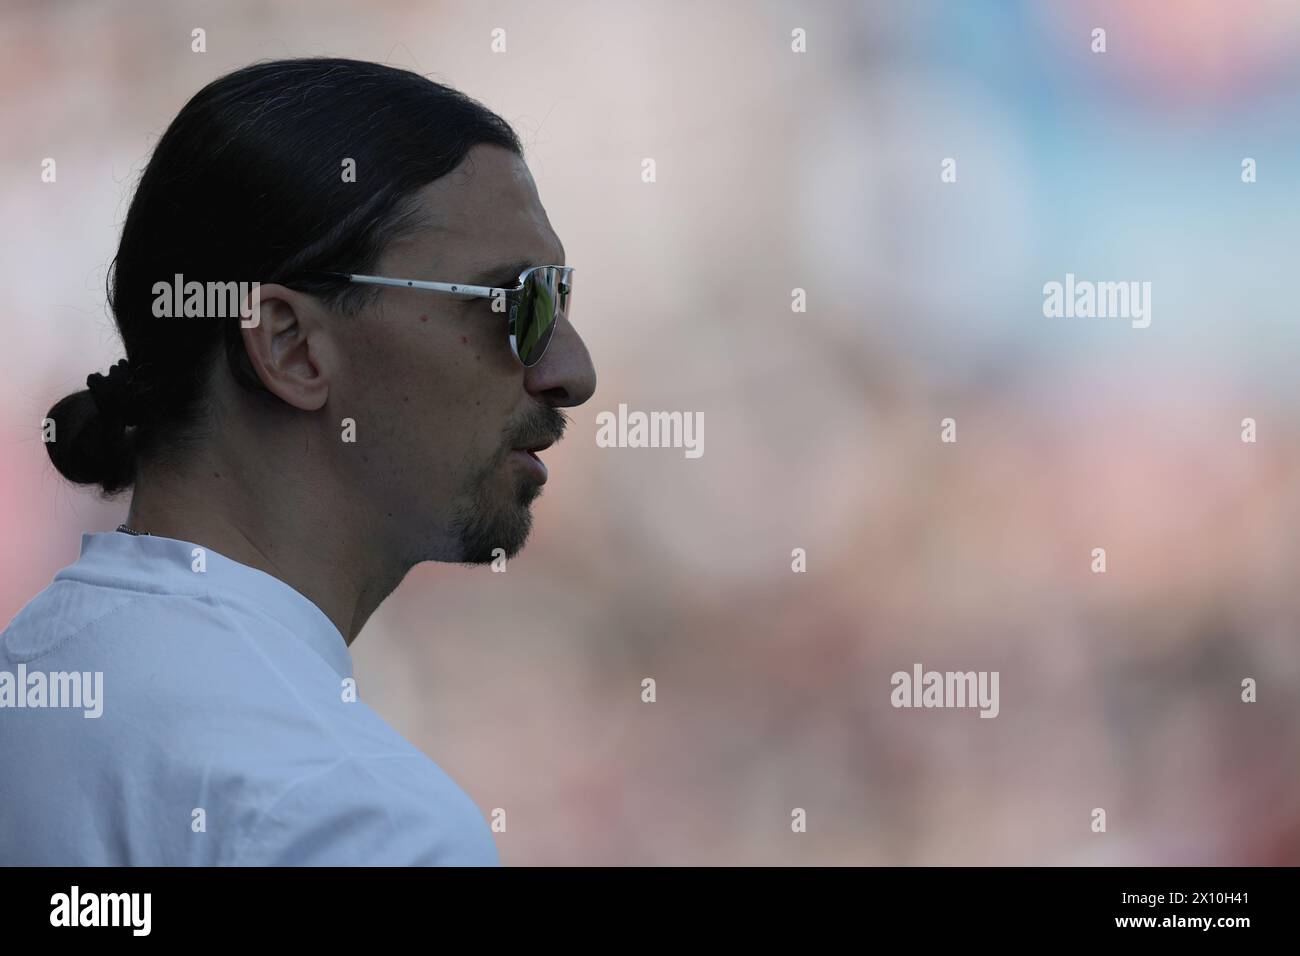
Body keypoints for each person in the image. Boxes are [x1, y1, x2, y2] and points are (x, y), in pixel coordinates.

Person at [0, 57, 596, 865]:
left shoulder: (33, 681)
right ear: (290, 347)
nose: (572, 372)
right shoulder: (362, 821)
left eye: (561, 299)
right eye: (518, 303)